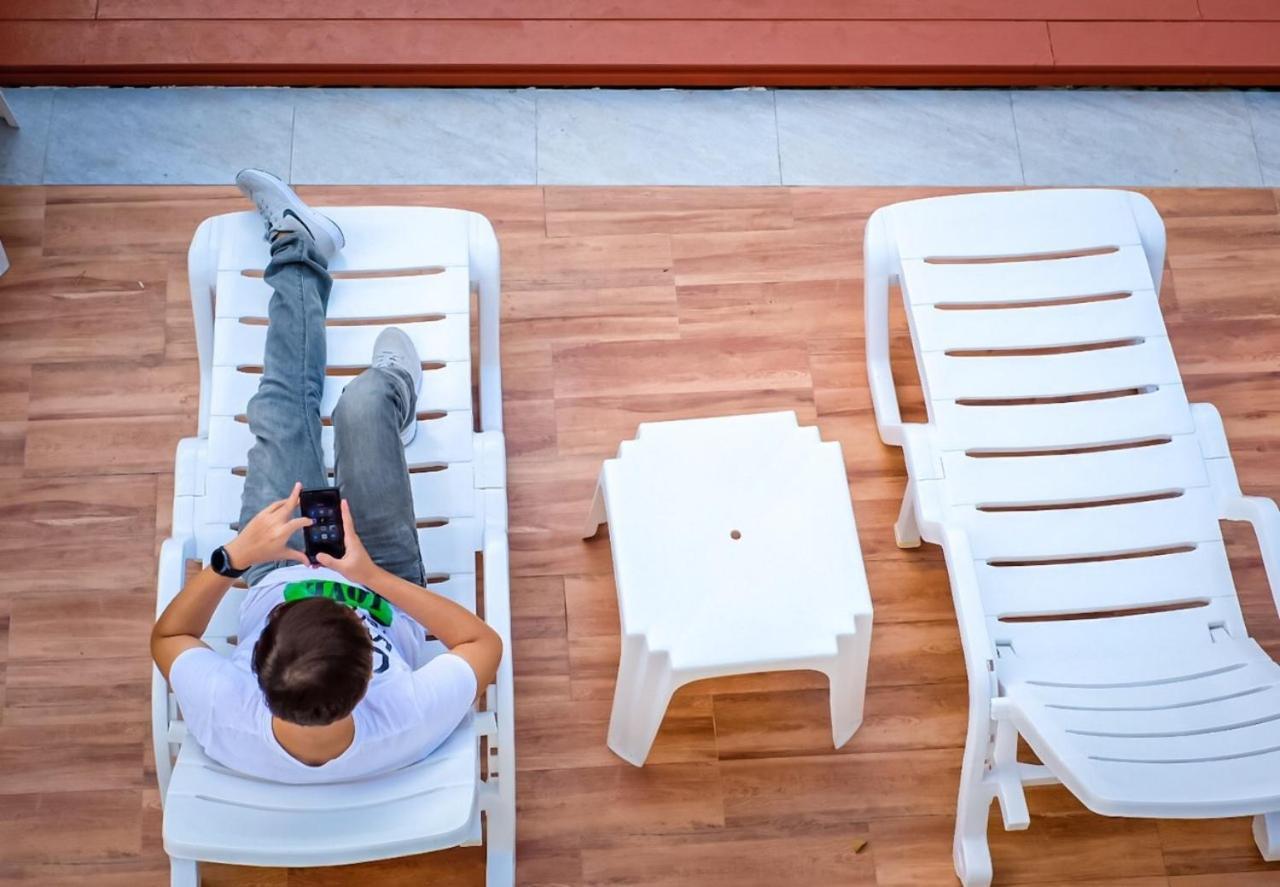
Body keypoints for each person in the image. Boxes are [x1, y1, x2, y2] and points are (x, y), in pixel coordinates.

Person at [150, 169, 502, 783]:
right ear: (371, 672)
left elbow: (169, 638)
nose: (317, 582)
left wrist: (235, 559)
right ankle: (392, 393)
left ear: (255, 666)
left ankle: (301, 245)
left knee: (281, 407)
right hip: (382, 573)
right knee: (362, 404)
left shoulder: (230, 712)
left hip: (270, 564)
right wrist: (366, 578)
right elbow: (483, 647)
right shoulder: (405, 714)